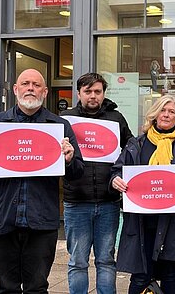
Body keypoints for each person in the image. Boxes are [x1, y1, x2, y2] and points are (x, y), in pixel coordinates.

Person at [0, 69, 84, 293]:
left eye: (36, 85)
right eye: (25, 84)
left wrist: (69, 159)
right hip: (1, 221)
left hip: (41, 222)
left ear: (45, 92)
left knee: (37, 288)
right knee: (5, 288)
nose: (30, 88)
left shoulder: (59, 127)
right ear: (16, 90)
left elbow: (77, 173)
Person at [110, 94, 175, 294]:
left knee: (170, 274)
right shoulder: (136, 144)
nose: (166, 115)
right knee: (140, 275)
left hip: (173, 222)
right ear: (154, 114)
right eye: (162, 110)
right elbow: (117, 170)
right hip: (142, 222)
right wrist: (115, 180)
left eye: (172, 111)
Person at [60, 73, 133, 294]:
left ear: (103, 93)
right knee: (78, 262)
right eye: (88, 91)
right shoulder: (65, 119)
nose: (93, 96)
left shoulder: (116, 118)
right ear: (79, 93)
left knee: (106, 260)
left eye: (98, 92)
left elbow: (131, 150)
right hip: (76, 201)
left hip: (108, 201)